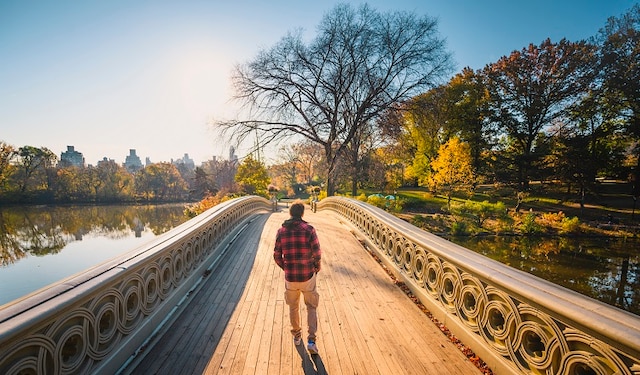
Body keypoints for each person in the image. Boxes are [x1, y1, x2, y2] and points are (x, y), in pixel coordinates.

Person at [274, 200, 322, 354]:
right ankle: (311, 341)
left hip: (291, 277)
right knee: (311, 307)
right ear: (302, 213)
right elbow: (317, 253)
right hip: (307, 275)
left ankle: (296, 335)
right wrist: (316, 267)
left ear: (290, 213)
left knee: (293, 306)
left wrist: (287, 267)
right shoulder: (309, 229)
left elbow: (276, 255)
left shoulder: (281, 231)